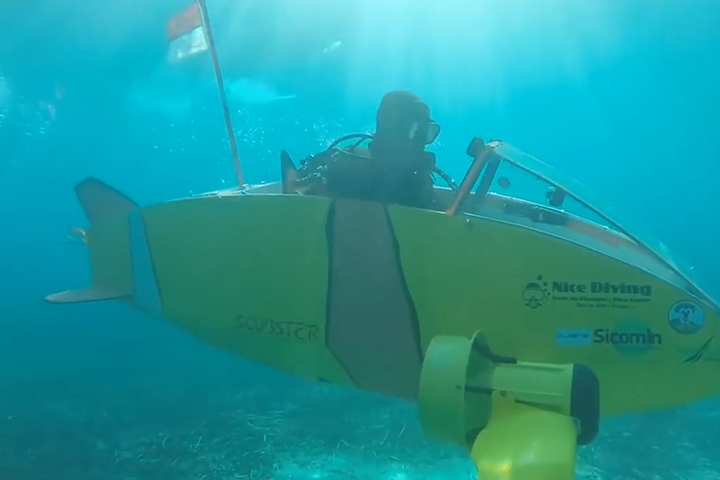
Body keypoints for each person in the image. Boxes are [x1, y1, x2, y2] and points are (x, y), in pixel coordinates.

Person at [282, 90, 441, 209]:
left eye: (428, 133)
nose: (423, 143)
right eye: (419, 132)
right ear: (396, 128)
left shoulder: (418, 175)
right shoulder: (349, 164)